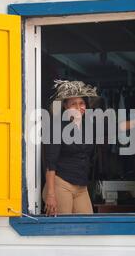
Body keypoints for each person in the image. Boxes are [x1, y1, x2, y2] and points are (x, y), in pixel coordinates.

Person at [42, 80, 100, 216]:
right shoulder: (56, 127)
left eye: (82, 103)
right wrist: (51, 194)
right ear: (65, 106)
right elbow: (50, 164)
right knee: (63, 228)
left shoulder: (88, 126)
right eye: (73, 104)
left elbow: (115, 128)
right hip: (61, 184)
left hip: (81, 187)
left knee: (87, 227)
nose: (78, 107)